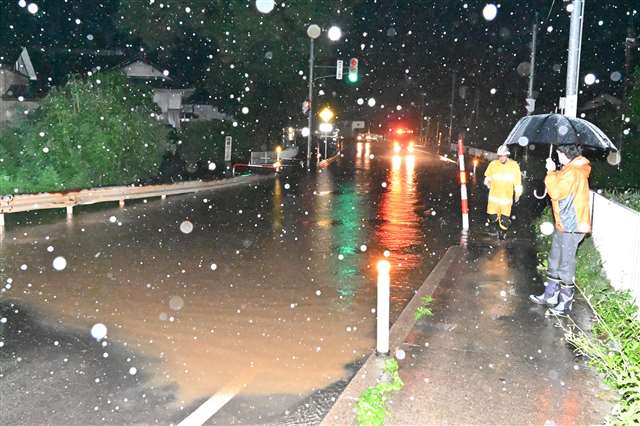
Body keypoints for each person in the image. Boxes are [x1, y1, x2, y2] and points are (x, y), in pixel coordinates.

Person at [529, 144, 591, 316]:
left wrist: (550, 171)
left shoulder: (574, 172)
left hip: (572, 225)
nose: (558, 156)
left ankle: (565, 302)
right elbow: (560, 183)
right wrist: (554, 171)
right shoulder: (569, 169)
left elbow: (555, 191)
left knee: (565, 263)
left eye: (559, 154)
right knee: (555, 259)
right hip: (563, 223)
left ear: (566, 154)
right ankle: (550, 294)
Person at [483, 145, 523, 239]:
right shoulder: (493, 164)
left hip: (506, 199)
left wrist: (517, 194)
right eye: (499, 156)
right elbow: (487, 177)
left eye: (503, 155)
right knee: (492, 217)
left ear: (507, 155)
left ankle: (503, 232)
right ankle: (497, 223)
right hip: (493, 198)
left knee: (504, 220)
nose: (501, 158)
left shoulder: (514, 165)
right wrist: (488, 182)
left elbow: (518, 182)